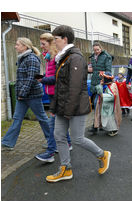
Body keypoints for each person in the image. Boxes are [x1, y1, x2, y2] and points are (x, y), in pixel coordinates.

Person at [46, 25, 111, 182]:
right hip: (63, 106)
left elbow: (74, 88)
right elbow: (60, 87)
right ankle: (66, 169)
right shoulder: (63, 57)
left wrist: (67, 111)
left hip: (75, 107)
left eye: (56, 39)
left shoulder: (75, 57)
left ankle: (102, 155)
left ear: (65, 39)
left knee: (77, 138)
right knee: (59, 135)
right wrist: (55, 108)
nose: (54, 42)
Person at [1, 38, 51, 151]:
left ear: (25, 46)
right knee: (17, 118)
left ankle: (52, 141)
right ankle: (8, 142)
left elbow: (31, 79)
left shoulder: (32, 59)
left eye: (17, 44)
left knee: (42, 118)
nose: (15, 46)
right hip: (23, 96)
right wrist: (21, 94)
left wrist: (22, 94)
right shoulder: (23, 58)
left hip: (32, 95)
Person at [35, 33, 72, 163]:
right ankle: (68, 143)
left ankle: (50, 152)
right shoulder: (49, 58)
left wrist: (43, 79)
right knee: (58, 122)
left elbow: (57, 78)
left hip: (58, 95)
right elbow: (51, 74)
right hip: (52, 94)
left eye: (43, 44)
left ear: (51, 44)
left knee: (53, 124)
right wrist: (44, 77)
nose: (41, 46)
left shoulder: (57, 57)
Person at [88, 42, 113, 135]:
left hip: (102, 84)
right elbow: (93, 70)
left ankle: (95, 126)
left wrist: (103, 79)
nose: (96, 52)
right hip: (94, 83)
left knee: (97, 104)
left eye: (98, 50)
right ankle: (101, 125)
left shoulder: (106, 57)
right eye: (94, 50)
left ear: (101, 49)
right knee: (99, 105)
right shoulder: (92, 57)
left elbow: (109, 71)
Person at [94, 72, 122, 136]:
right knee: (106, 117)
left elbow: (112, 96)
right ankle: (109, 129)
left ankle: (113, 130)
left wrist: (103, 96)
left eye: (103, 79)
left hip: (110, 106)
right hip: (107, 105)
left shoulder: (112, 86)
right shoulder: (109, 85)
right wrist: (100, 86)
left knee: (110, 118)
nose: (102, 80)